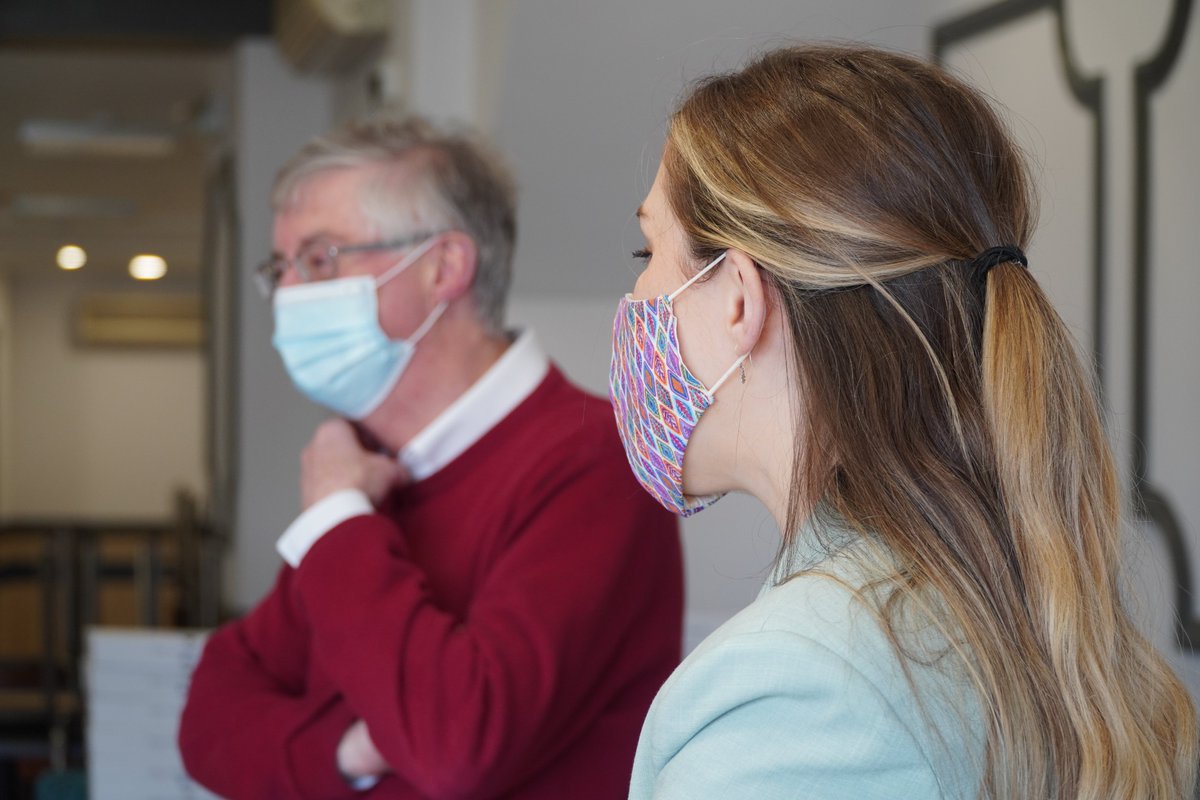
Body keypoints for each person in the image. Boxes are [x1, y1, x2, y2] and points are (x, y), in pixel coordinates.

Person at [608, 44, 1198, 799]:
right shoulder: (1010, 597)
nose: (638, 294)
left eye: (648, 248)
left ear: (737, 299)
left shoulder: (801, 696)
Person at [178, 116, 683, 799]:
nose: (289, 295)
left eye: (321, 258)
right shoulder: (370, 466)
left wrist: (336, 523)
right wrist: (350, 752)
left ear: (444, 267)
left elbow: (457, 746)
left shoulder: (593, 464)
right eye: (282, 267)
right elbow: (210, 718)